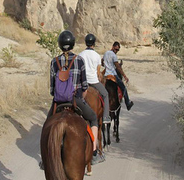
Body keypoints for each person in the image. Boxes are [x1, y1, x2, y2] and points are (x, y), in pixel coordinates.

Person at [48, 30, 104, 165]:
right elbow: (84, 86)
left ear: (60, 45)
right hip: (75, 100)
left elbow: (51, 89)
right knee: (93, 118)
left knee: (47, 125)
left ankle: (46, 159)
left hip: (58, 102)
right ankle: (95, 152)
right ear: (73, 44)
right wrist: (81, 97)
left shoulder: (54, 62)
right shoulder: (79, 60)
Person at [79, 33, 111, 124]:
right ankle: (105, 117)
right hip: (93, 81)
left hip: (83, 82)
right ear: (94, 43)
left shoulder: (80, 55)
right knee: (105, 94)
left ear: (86, 43)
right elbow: (98, 73)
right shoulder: (97, 56)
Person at [103, 41, 134, 111]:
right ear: (113, 47)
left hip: (105, 75)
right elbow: (118, 67)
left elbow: (102, 62)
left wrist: (106, 65)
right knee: (124, 88)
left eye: (118, 50)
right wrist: (125, 76)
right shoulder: (114, 55)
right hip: (113, 74)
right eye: (116, 49)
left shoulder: (106, 53)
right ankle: (128, 103)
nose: (116, 51)